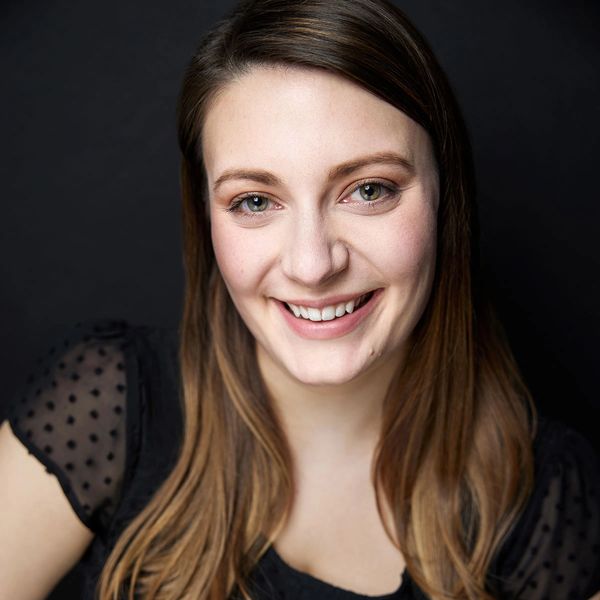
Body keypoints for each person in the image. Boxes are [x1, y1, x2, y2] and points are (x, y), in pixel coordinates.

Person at [1, 0, 599, 598]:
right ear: (205, 217)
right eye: (254, 202)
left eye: (368, 190)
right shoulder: (107, 405)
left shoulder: (548, 500)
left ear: (448, 198)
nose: (312, 266)